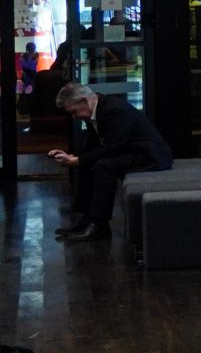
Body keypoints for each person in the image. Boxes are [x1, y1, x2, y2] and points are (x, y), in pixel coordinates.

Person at [47, 82, 173, 242]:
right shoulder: (95, 111)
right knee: (87, 163)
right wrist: (72, 156)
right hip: (132, 152)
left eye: (74, 111)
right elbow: (92, 145)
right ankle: (87, 219)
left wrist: (77, 160)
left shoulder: (114, 110)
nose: (74, 117)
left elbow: (113, 146)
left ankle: (99, 225)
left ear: (84, 101)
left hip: (150, 156)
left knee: (104, 166)